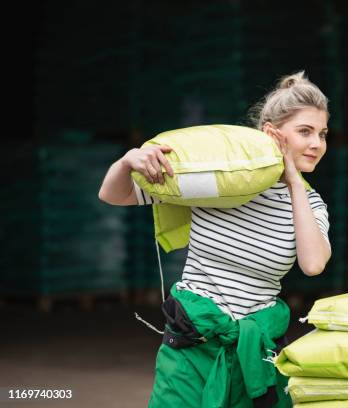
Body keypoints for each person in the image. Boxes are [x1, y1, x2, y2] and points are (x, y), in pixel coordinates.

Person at [98, 71, 331, 407]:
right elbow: (113, 195)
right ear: (271, 134)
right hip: (192, 344)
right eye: (304, 132)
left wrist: (294, 183)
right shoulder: (219, 179)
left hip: (255, 351)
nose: (316, 144)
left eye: (322, 134)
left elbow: (313, 264)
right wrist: (126, 162)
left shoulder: (309, 204)